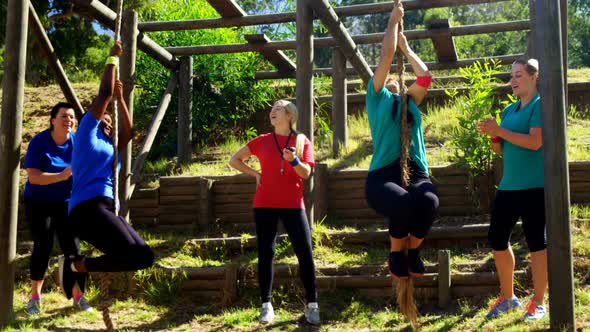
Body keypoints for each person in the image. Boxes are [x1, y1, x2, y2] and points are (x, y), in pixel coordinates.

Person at [59, 42, 154, 298]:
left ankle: (78, 266)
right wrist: (112, 58)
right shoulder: (85, 136)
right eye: (106, 120)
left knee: (143, 257)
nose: (109, 124)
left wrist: (121, 100)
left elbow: (129, 132)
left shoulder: (110, 148)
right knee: (133, 253)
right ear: (95, 121)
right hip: (86, 209)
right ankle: (75, 265)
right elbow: (103, 94)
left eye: (112, 122)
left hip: (104, 208)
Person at [229, 100, 319, 325]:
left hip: (292, 203)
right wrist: (255, 174)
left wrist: (294, 160)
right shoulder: (262, 141)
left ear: (290, 115)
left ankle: (312, 304)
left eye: (278, 108)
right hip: (264, 203)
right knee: (266, 252)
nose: (272, 111)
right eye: (272, 109)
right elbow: (234, 160)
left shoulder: (301, 141)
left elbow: (306, 173)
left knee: (305, 252)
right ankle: (266, 305)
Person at [364, 3, 437, 280]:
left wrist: (407, 50)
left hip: (415, 170)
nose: (392, 79)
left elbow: (425, 76)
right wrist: (393, 22)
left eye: (396, 78)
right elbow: (385, 56)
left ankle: (413, 252)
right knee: (403, 202)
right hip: (383, 174)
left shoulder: (410, 101)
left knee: (428, 200)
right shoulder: (376, 98)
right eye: (388, 78)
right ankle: (396, 254)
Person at [477, 58, 547, 321]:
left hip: (534, 186)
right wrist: (493, 134)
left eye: (518, 75)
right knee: (497, 239)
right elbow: (500, 150)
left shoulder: (540, 105)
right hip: (509, 187)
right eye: (511, 76)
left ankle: (538, 303)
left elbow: (535, 142)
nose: (513, 81)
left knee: (537, 244)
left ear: (533, 77)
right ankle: (508, 298)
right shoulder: (508, 110)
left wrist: (500, 131)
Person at [23, 102, 93, 314]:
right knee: (43, 246)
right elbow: (34, 177)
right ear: (53, 120)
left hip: (66, 202)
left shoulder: (77, 144)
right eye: (64, 116)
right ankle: (35, 298)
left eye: (72, 117)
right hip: (38, 201)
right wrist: (61, 176)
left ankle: (78, 296)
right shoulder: (39, 142)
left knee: (73, 248)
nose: (69, 120)